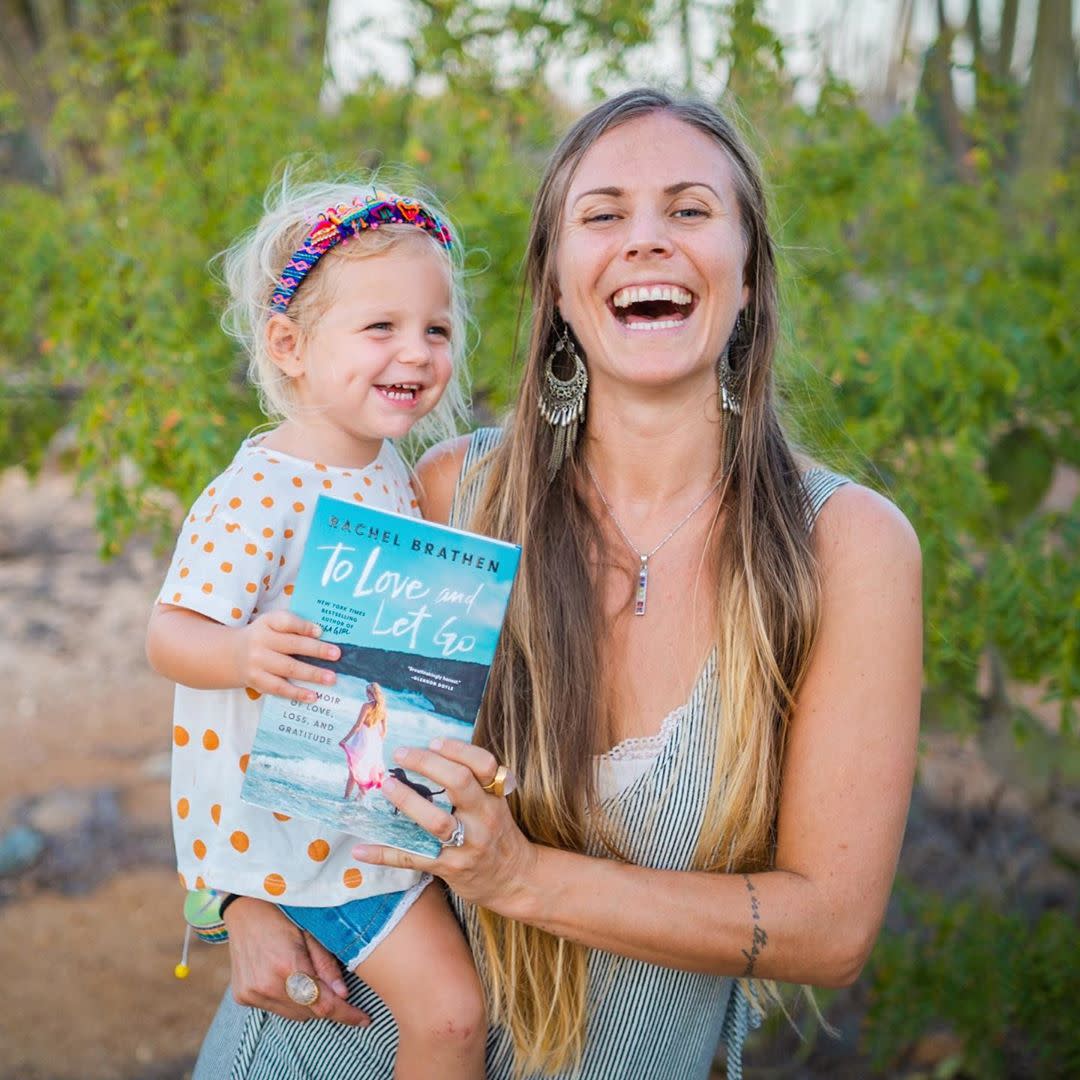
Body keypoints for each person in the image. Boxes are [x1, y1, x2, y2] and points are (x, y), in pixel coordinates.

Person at [193, 88, 922, 1080]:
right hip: (317, 1051)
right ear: (558, 284)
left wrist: (523, 878)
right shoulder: (448, 497)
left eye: (692, 211)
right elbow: (246, 697)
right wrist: (233, 902)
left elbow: (830, 929)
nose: (648, 241)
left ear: (748, 275)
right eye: (604, 214)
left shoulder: (846, 545)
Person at [145, 177, 488, 1079]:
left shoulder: (395, 476)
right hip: (304, 840)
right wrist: (242, 652)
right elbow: (169, 634)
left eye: (436, 329)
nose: (415, 351)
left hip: (366, 798)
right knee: (451, 1014)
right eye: (380, 328)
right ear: (290, 346)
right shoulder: (262, 488)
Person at [341, 684, 389, 800]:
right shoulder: (382, 709)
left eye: (366, 692)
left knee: (353, 772)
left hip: (362, 741)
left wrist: (345, 740)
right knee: (366, 771)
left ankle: (346, 798)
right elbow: (384, 730)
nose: (366, 695)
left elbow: (357, 726)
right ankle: (359, 800)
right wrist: (377, 743)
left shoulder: (366, 706)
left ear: (370, 693)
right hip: (374, 744)